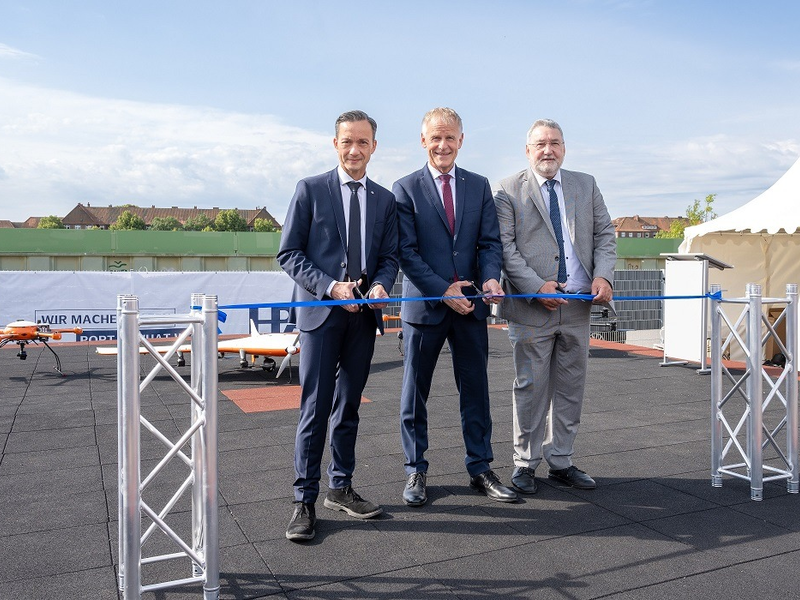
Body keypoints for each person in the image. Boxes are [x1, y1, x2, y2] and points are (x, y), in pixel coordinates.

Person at [277, 110, 399, 541]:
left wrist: (382, 285)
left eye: (363, 142)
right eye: (347, 141)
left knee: (348, 408)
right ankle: (303, 501)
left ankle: (340, 487)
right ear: (335, 144)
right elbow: (289, 254)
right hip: (320, 315)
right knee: (314, 409)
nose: (354, 150)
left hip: (363, 319)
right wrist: (330, 287)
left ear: (373, 147)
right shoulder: (309, 190)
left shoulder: (385, 200)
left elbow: (388, 257)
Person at [393, 107, 517, 507]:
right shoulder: (405, 187)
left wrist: (492, 276)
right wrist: (444, 290)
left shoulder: (479, 186)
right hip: (426, 307)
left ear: (461, 140)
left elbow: (489, 243)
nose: (442, 145)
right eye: (435, 138)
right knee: (415, 393)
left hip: (472, 308)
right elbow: (406, 253)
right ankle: (416, 470)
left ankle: (480, 467)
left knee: (476, 392)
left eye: (450, 138)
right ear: (423, 140)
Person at [493, 119, 616, 494]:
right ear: (527, 150)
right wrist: (535, 288)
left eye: (556, 143)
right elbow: (506, 249)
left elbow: (606, 234)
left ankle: (560, 459)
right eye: (541, 144)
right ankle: (525, 463)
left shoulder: (586, 184)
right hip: (532, 307)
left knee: (570, 386)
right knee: (531, 386)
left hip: (578, 305)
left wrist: (605, 276)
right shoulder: (507, 189)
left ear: (565, 148)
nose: (549, 150)